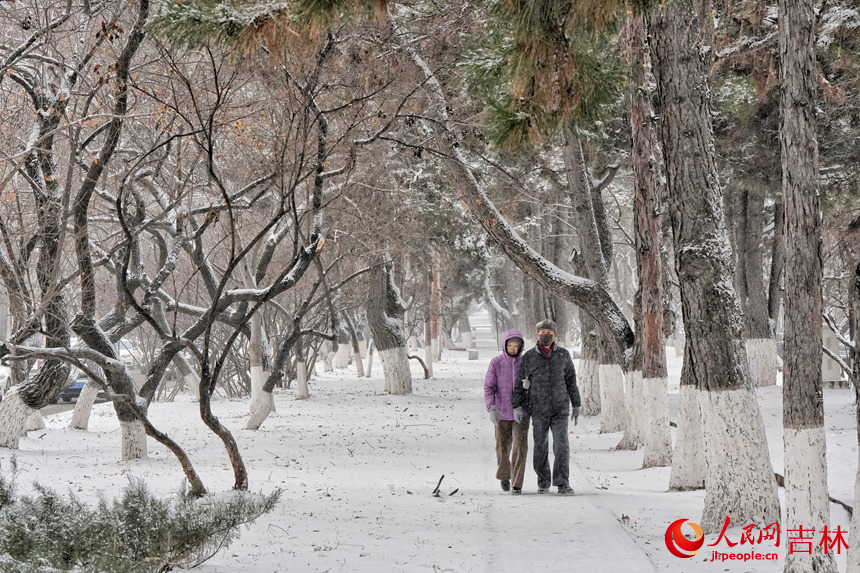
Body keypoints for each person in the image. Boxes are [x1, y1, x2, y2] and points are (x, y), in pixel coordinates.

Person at [512, 319, 580, 495]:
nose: (546, 337)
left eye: (549, 334)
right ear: (537, 335)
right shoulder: (529, 357)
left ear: (555, 335)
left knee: (561, 446)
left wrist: (577, 404)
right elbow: (520, 383)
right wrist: (517, 405)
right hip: (539, 409)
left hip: (560, 409)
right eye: (542, 333)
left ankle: (562, 483)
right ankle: (543, 482)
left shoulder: (564, 355)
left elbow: (571, 381)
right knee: (540, 446)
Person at [484, 329, 529, 495]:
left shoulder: (526, 363)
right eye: (509, 345)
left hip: (521, 415)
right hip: (502, 414)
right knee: (503, 448)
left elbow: (533, 386)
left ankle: (517, 484)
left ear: (520, 346)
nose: (512, 349)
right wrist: (492, 408)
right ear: (504, 345)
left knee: (520, 447)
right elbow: (489, 387)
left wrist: (528, 387)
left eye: (516, 346)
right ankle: (505, 475)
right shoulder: (496, 363)